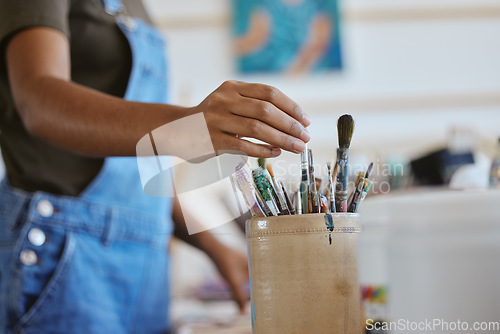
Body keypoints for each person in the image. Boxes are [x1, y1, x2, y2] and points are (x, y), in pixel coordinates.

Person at [0, 0, 311, 333]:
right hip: (65, 257)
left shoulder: (136, 7)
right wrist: (186, 126)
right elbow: (38, 101)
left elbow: (140, 170)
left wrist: (215, 247)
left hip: (146, 268)